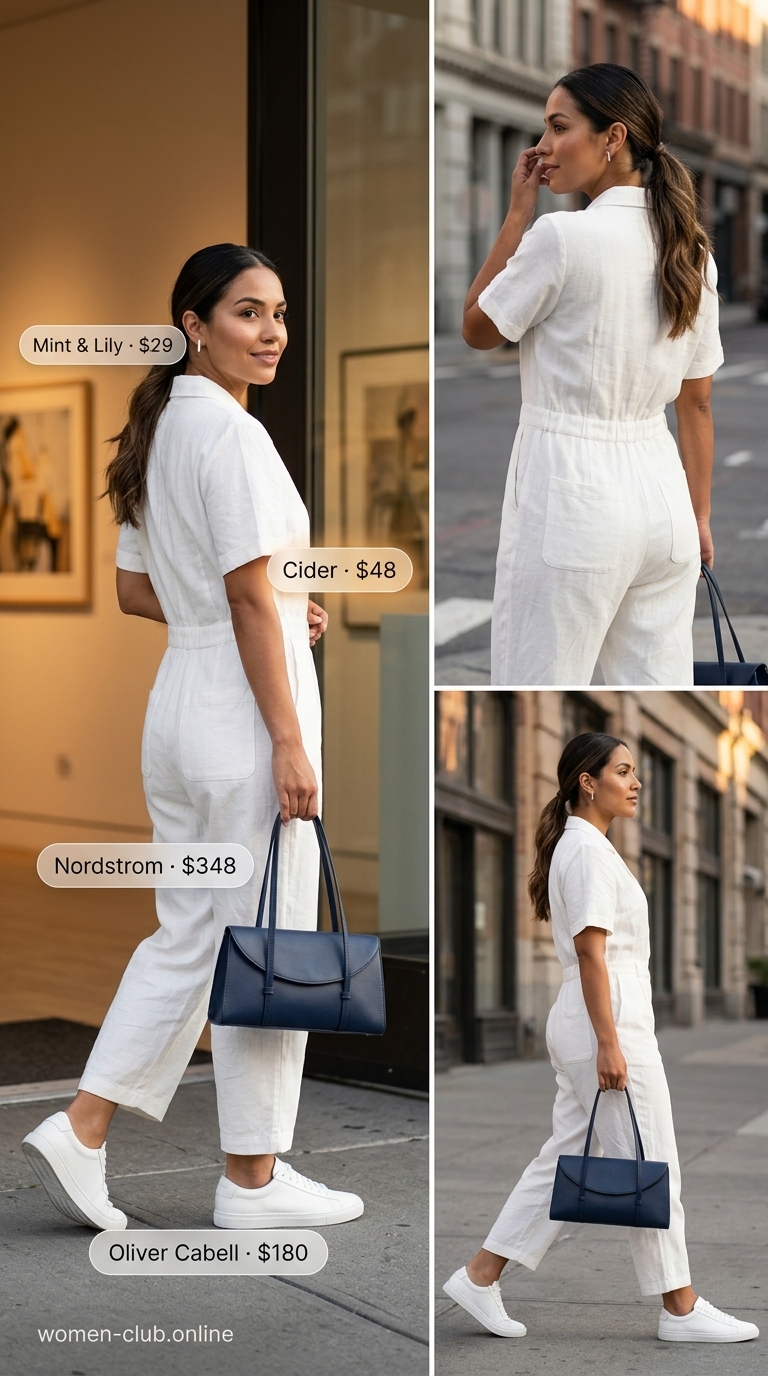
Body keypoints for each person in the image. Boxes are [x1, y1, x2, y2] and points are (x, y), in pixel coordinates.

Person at [21, 243, 364, 1232]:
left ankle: (250, 1168)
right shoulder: (233, 438)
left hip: (182, 703)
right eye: (248, 313)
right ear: (194, 323)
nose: (272, 334)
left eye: (280, 314)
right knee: (252, 932)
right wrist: (289, 737)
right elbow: (250, 591)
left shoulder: (160, 427)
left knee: (210, 932)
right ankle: (100, 1129)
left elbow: (142, 588)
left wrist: (276, 603)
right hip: (244, 717)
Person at [443, 733, 759, 1345]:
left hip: (598, 1016)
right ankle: (681, 1307)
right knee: (652, 1157)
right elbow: (592, 952)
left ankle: (480, 1277)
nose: (636, 782)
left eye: (636, 771)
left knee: (567, 1158)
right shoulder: (585, 850)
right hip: (605, 1018)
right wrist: (610, 1041)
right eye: (623, 770)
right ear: (588, 781)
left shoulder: (586, 846)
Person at [462, 65, 723, 688]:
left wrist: (516, 214)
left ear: (613, 137)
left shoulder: (563, 236)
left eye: (559, 126)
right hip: (665, 506)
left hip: (574, 498)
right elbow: (698, 404)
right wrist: (701, 517)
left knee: (538, 678)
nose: (543, 146)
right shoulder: (692, 251)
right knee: (653, 683)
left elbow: (478, 328)